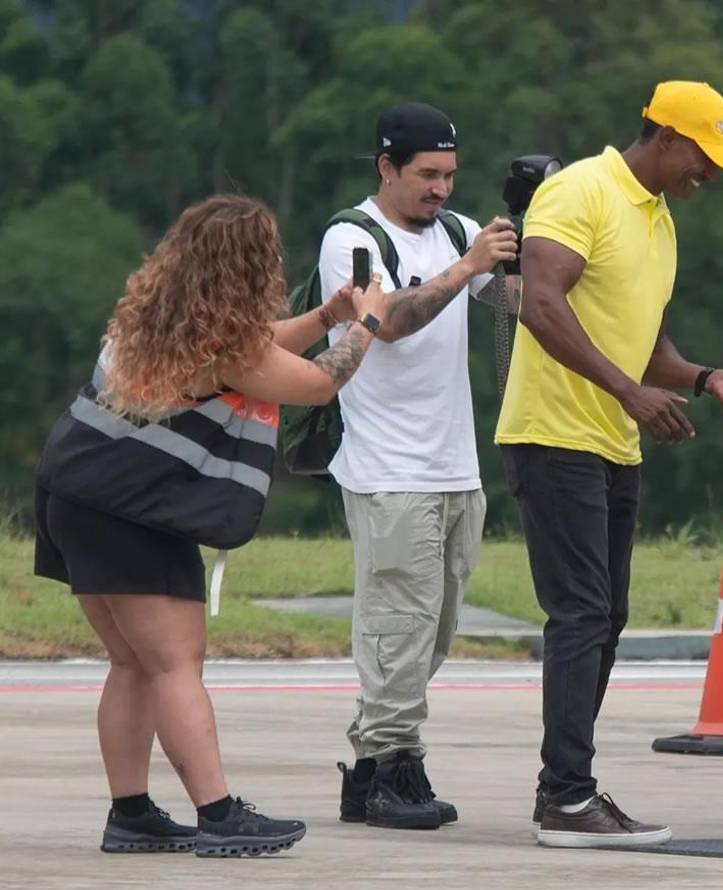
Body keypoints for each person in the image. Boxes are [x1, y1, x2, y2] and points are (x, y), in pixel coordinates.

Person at [31, 194, 458, 856]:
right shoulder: (218, 342)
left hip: (75, 493)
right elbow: (316, 384)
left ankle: (132, 813)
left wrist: (326, 314)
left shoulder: (158, 317)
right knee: (175, 663)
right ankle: (219, 813)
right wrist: (366, 325)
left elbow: (258, 354)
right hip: (128, 512)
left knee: (132, 663)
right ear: (249, 266)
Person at [496, 80, 723, 848]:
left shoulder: (658, 220)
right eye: (703, 157)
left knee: (606, 618)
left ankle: (567, 790)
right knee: (581, 615)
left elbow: (646, 345)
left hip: (611, 440)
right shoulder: (578, 191)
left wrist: (709, 378)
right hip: (555, 433)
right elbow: (541, 303)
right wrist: (629, 392)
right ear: (665, 137)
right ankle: (567, 798)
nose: (707, 175)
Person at [320, 103, 519, 831]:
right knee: (395, 625)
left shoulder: (460, 231)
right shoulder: (353, 237)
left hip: (455, 462)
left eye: (450, 176)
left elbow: (516, 306)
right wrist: (467, 266)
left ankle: (370, 768)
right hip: (387, 466)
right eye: (427, 175)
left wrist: (531, 253)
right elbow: (391, 325)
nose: (440, 191)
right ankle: (397, 766)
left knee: (432, 631)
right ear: (387, 168)